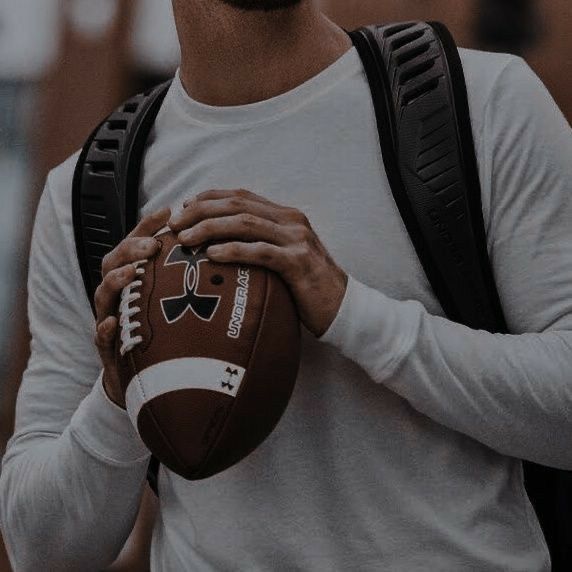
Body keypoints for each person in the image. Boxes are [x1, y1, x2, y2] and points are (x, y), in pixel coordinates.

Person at [1, 0, 571, 570]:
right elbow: (42, 550)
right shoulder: (86, 192)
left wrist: (349, 311)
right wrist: (122, 389)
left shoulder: (480, 103)